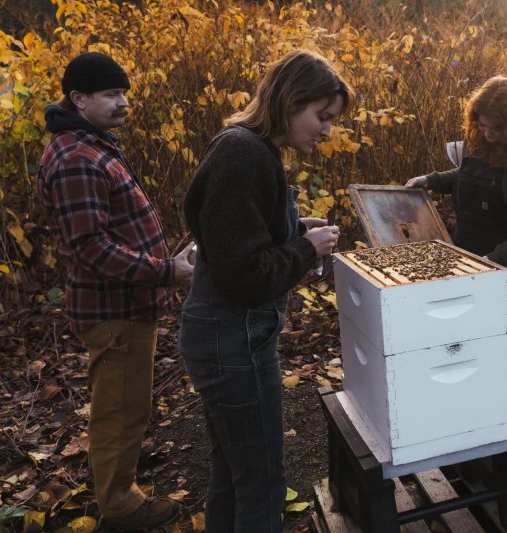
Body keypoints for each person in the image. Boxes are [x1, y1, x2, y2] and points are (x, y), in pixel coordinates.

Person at [178, 49, 353, 532]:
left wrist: (294, 231)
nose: (326, 130)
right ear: (290, 100)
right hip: (233, 340)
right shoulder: (241, 153)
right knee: (263, 484)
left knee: (234, 475)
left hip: (228, 337)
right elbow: (244, 274)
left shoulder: (253, 150)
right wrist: (305, 250)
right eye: (322, 116)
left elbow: (237, 236)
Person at [37, 52, 194, 529]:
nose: (123, 102)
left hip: (125, 305)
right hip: (114, 310)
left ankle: (115, 485)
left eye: (124, 92)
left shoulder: (92, 144)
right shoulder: (75, 158)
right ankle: (121, 506)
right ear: (78, 98)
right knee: (120, 411)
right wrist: (167, 271)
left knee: (126, 405)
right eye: (111, 94)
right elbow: (91, 248)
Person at [406, 76, 507, 380]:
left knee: (497, 339)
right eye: (483, 125)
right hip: (468, 254)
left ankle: (502, 405)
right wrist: (431, 181)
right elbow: (465, 175)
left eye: (496, 128)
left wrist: (495, 260)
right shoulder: (481, 144)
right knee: (460, 336)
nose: (487, 133)